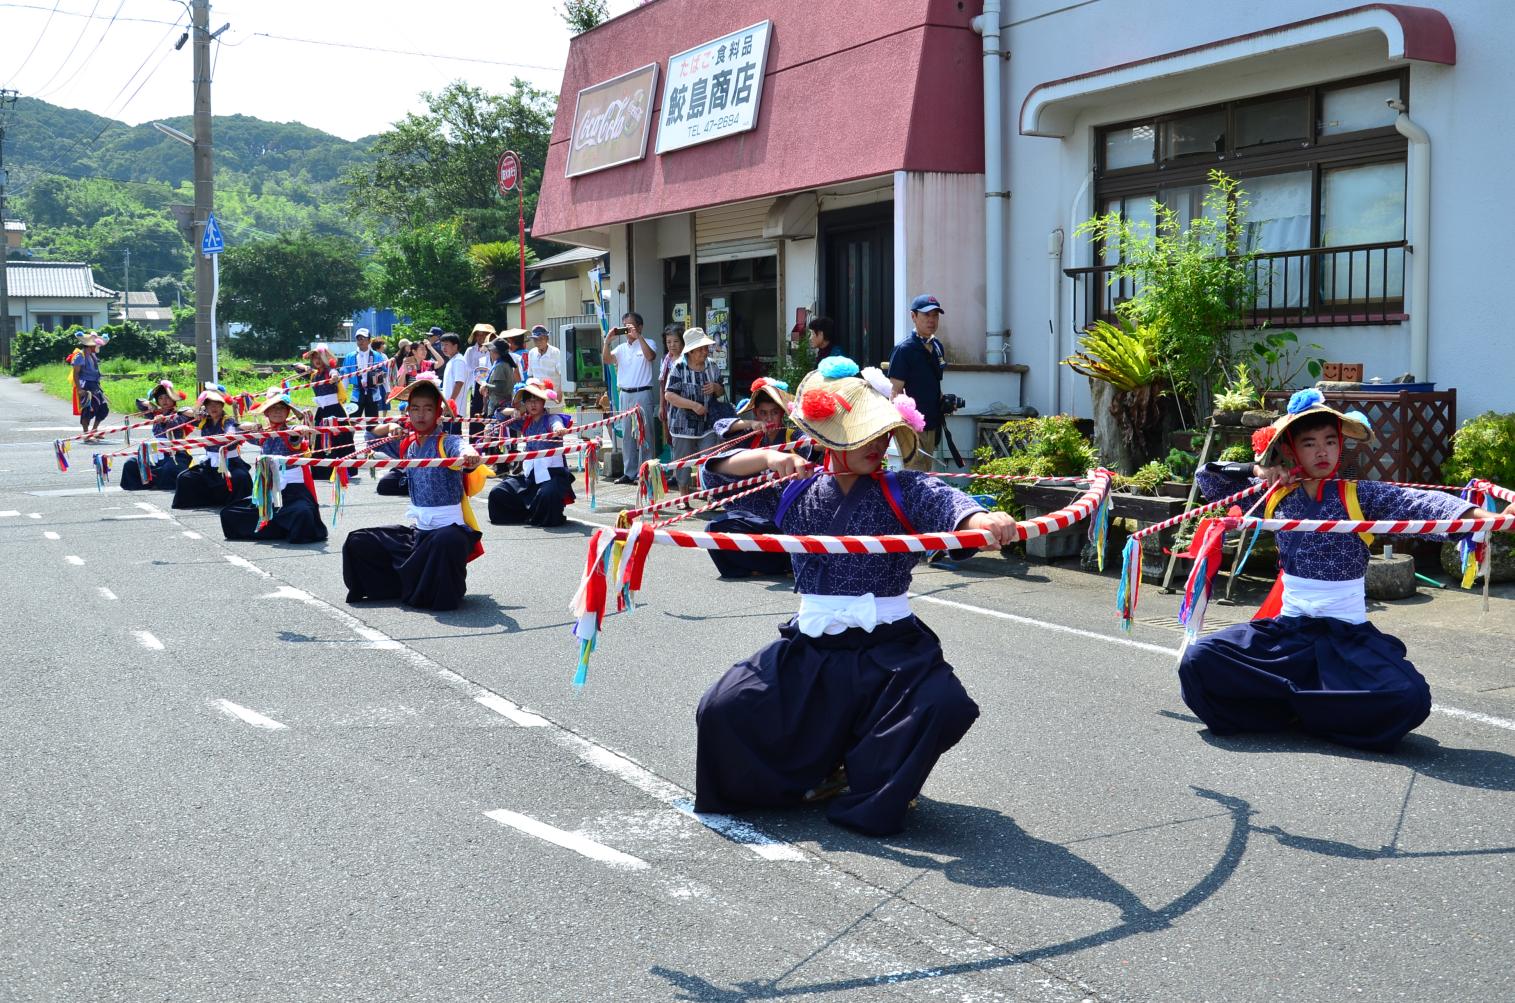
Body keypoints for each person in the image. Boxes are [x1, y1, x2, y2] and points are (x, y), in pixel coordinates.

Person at [693, 357, 1018, 836]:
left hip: (890, 647)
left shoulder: (902, 488)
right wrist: (766, 458)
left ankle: (878, 782)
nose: (880, 445)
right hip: (813, 643)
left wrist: (979, 522)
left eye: (883, 434)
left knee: (940, 703)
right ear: (832, 438)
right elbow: (714, 476)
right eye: (867, 434)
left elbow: (948, 503)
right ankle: (816, 772)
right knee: (722, 707)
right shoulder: (793, 489)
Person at [1179, 389, 1515, 752]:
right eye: (1309, 444)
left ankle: (1297, 710)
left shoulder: (1360, 495)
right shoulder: (1271, 495)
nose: (1322, 452)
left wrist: (1492, 519)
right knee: (1199, 660)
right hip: (1286, 632)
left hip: (1346, 635)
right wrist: (1258, 471)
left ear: (1341, 445)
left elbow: (1422, 503)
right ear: (1291, 450)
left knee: (1409, 697)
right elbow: (1208, 477)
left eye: (1329, 441)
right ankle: (1303, 710)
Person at [342, 375, 485, 611]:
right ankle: (398, 586)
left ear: (438, 413)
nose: (421, 415)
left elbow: (463, 449)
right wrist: (389, 426)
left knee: (446, 541)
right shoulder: (406, 443)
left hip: (449, 532)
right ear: (407, 412)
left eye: (428, 409)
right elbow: (370, 437)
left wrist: (470, 455)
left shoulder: (447, 442)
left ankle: (429, 589)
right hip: (419, 533)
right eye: (415, 409)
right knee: (359, 541)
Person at [700, 377, 808, 579]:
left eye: (774, 413)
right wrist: (750, 424)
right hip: (756, 514)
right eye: (763, 413)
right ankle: (762, 567)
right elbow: (721, 424)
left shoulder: (792, 436)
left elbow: (811, 442)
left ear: (782, 414)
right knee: (714, 530)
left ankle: (785, 564)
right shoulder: (751, 436)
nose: (769, 419)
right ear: (756, 413)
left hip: (788, 516)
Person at [220, 390, 328, 545]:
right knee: (229, 514)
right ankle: (278, 528)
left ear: (287, 412)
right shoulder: (262, 434)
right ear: (267, 412)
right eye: (273, 408)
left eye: (282, 408)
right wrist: (245, 424)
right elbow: (234, 432)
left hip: (292, 491)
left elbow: (296, 437)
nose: (278, 411)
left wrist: (299, 431)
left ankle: (283, 527)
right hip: (268, 490)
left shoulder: (291, 430)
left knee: (302, 514)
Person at [486, 378, 575, 528]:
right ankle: (526, 515)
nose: (533, 404)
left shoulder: (552, 418)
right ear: (525, 403)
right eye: (529, 401)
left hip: (552, 475)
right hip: (530, 476)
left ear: (543, 402)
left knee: (547, 494)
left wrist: (558, 430)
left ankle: (538, 514)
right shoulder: (525, 421)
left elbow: (557, 424)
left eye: (537, 400)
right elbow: (498, 415)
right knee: (498, 492)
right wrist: (516, 411)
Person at [662, 327, 728, 494]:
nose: (705, 352)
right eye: (700, 349)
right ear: (690, 351)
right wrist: (693, 405)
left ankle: (711, 494)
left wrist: (715, 387)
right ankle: (683, 496)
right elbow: (669, 395)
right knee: (683, 463)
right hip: (683, 425)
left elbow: (722, 392)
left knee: (711, 459)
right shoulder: (679, 367)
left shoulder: (712, 365)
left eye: (706, 348)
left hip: (709, 424)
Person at [888, 294, 950, 472]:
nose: (931, 320)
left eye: (935, 315)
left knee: (926, 474)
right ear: (913, 316)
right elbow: (895, 393)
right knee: (913, 477)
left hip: (932, 423)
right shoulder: (904, 349)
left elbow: (935, 383)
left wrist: (944, 402)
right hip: (911, 427)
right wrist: (904, 426)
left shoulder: (937, 346)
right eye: (926, 315)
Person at [171, 383, 253, 510]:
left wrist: (231, 434)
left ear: (222, 405)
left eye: (217, 404)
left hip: (230, 462)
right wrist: (196, 413)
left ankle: (235, 505)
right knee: (185, 477)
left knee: (240, 478)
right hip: (209, 463)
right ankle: (204, 501)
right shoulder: (204, 420)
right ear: (206, 407)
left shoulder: (228, 420)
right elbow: (182, 412)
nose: (213, 407)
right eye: (210, 405)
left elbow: (232, 429)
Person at [601, 310, 657, 485]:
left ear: (639, 327)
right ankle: (629, 471)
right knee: (627, 434)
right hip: (625, 394)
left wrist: (638, 336)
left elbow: (651, 356)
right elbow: (607, 359)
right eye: (625, 326)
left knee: (645, 433)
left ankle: (646, 471)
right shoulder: (621, 348)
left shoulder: (648, 342)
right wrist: (607, 341)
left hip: (643, 392)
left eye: (630, 326)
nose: (627, 330)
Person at [120, 380, 193, 491]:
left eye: (167, 397)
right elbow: (139, 402)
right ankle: (143, 484)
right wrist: (150, 405)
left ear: (173, 399)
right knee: (131, 463)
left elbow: (189, 414)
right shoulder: (155, 413)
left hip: (175, 453)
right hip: (155, 452)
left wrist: (164, 419)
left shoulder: (180, 413)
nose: (164, 401)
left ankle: (161, 484)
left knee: (169, 468)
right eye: (160, 398)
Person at [69, 332, 110, 440]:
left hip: (95, 385)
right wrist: (79, 389)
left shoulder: (92, 355)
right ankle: (86, 433)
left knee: (103, 407)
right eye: (95, 345)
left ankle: (94, 430)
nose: (97, 346)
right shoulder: (80, 356)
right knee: (88, 408)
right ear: (90, 345)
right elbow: (76, 373)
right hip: (85, 385)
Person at [343, 328, 389, 421]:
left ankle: (371, 435)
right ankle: (349, 435)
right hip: (356, 393)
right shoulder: (350, 356)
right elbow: (345, 376)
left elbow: (383, 375)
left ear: (369, 340)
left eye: (363, 338)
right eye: (358, 339)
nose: (360, 341)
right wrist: (343, 393)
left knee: (372, 423)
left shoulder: (377, 356)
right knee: (352, 421)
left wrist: (387, 390)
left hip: (373, 393)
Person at [658, 324, 685, 441]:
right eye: (668, 342)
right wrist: (661, 406)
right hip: (669, 405)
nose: (672, 345)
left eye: (676, 341)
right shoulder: (665, 360)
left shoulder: (687, 359)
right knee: (670, 437)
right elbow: (662, 384)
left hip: (684, 402)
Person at [465, 323, 496, 426]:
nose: (481, 337)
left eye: (484, 335)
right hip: (476, 386)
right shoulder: (470, 351)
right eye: (478, 334)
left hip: (492, 387)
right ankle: (474, 440)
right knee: (475, 416)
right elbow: (467, 369)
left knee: (490, 417)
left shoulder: (494, 351)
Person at [483, 337, 522, 417]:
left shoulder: (500, 366)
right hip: (504, 406)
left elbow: (499, 387)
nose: (490, 353)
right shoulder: (505, 364)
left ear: (495, 351)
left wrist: (485, 385)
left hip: (499, 408)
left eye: (490, 351)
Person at [438, 332, 470, 430]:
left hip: (454, 409)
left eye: (446, 344)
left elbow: (459, 383)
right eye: (442, 345)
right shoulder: (452, 360)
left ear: (455, 346)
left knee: (452, 439)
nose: (443, 348)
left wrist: (449, 404)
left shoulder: (458, 361)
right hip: (449, 407)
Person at [527, 325, 565, 394]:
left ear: (547, 339)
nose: (538, 342)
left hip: (554, 396)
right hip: (538, 396)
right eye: (535, 340)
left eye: (541, 339)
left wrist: (560, 392)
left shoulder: (556, 352)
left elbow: (563, 375)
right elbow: (530, 375)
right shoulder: (531, 353)